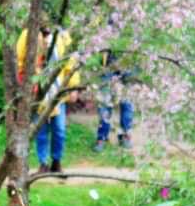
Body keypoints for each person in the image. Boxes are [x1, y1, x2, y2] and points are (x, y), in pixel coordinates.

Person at [15, 24, 79, 174]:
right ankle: (43, 163)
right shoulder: (28, 33)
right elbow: (20, 61)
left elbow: (71, 62)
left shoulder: (63, 36)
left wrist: (74, 86)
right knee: (40, 130)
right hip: (37, 91)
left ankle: (56, 161)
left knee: (59, 129)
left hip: (58, 91)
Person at [92, 49, 135, 152]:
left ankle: (125, 136)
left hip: (128, 59)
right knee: (104, 103)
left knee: (127, 103)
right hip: (108, 64)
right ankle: (102, 137)